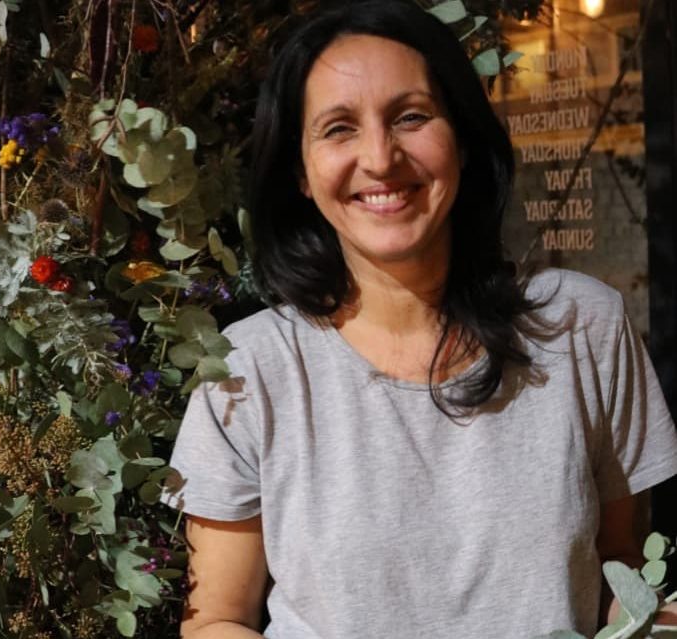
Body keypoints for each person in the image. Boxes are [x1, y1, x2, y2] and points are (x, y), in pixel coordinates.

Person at [161, 1, 677, 637]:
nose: (380, 158)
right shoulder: (247, 371)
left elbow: (618, 564)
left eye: (411, 117)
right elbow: (212, 620)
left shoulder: (582, 327)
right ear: (299, 169)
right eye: (338, 128)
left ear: (460, 136)